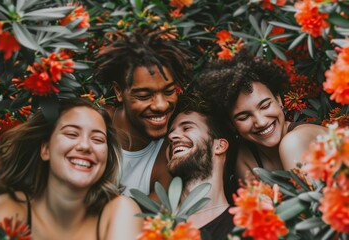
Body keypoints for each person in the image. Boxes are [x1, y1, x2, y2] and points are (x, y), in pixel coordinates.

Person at [0, 98, 143, 239]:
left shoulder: (120, 211)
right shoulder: (9, 206)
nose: (85, 146)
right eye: (71, 134)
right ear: (46, 149)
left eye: (97, 139)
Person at [196, 49, 328, 180]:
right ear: (231, 124)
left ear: (278, 100)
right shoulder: (245, 157)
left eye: (265, 106)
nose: (261, 122)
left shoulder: (294, 141)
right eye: (244, 117)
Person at [93, 27, 193, 199]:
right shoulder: (94, 124)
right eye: (144, 96)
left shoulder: (171, 148)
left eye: (169, 92)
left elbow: (151, 216)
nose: (161, 106)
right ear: (118, 91)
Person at [167, 93, 235, 240]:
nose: (172, 137)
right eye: (171, 132)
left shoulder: (246, 226)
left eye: (186, 128)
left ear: (219, 146)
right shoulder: (156, 226)